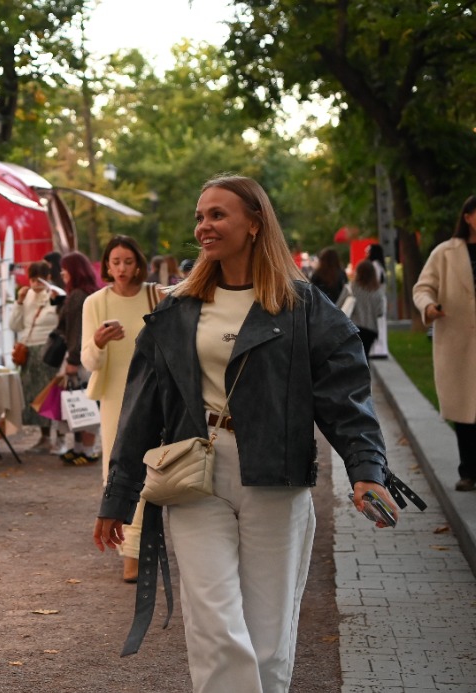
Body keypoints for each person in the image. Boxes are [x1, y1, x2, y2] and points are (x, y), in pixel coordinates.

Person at [94, 175, 397, 692]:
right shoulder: (177, 309)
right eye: (199, 215)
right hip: (195, 474)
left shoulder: (302, 307)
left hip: (275, 474)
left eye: (217, 214)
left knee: (267, 633)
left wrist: (366, 470)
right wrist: (118, 496)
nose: (203, 226)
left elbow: (344, 397)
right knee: (214, 624)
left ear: (254, 224)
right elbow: (141, 407)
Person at [81, 234, 162, 582]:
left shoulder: (154, 295)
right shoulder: (94, 303)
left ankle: (140, 551)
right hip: (115, 396)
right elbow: (88, 360)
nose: (122, 268)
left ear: (139, 262)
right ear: (106, 265)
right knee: (119, 470)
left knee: (156, 472)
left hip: (155, 393)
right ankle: (130, 553)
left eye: (128, 261)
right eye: (115, 262)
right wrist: (98, 342)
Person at [413, 195, 476, 492]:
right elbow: (423, 287)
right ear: (468, 217)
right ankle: (468, 472)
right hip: (458, 340)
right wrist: (428, 307)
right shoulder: (445, 253)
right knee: (466, 409)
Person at [55, 251, 102, 461]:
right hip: (88, 356)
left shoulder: (77, 296)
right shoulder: (89, 293)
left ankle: (86, 450)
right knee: (84, 402)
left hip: (80, 358)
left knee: (82, 402)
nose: (62, 272)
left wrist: (72, 360)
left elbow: (76, 330)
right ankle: (83, 448)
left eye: (65, 268)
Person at [10, 261, 61, 451]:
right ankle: (44, 436)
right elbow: (14, 325)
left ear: (48, 278)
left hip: (49, 349)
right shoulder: (27, 295)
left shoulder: (54, 295)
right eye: (32, 279)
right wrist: (19, 302)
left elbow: (60, 322)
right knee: (32, 394)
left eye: (40, 279)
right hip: (28, 350)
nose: (36, 284)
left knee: (49, 394)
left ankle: (59, 437)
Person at [337, 259, 385, 355]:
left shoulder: (351, 288)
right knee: (365, 355)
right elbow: (380, 312)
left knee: (354, 356)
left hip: (353, 328)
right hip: (371, 330)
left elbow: (338, 305)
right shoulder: (377, 292)